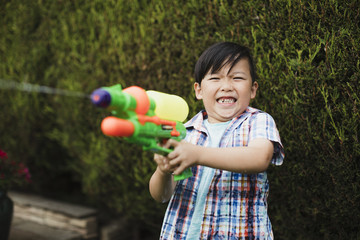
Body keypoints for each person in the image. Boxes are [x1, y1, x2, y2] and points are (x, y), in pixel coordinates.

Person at [149, 42, 285, 239]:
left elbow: (259, 158)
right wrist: (162, 170)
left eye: (237, 78)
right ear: (199, 90)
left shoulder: (257, 121)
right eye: (215, 78)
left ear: (253, 89)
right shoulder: (185, 132)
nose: (226, 86)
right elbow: (161, 196)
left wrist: (197, 154)